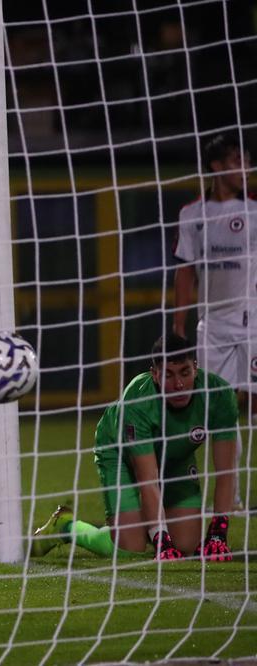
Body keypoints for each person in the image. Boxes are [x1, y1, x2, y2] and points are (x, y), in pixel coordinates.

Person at [30, 334, 237, 562]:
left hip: (175, 458)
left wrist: (219, 533)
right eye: (168, 374)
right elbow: (147, 478)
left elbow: (226, 471)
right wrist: (161, 539)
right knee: (131, 548)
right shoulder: (138, 400)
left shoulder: (219, 396)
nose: (178, 384)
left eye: (185, 373)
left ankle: (144, 524)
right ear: (155, 375)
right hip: (120, 453)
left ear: (195, 369)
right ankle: (66, 527)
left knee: (187, 544)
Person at [173, 132, 253, 512]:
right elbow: (186, 271)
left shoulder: (253, 213)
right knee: (218, 409)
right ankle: (230, 498)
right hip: (212, 327)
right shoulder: (193, 215)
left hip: (252, 324)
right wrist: (178, 324)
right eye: (238, 161)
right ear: (217, 166)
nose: (245, 169)